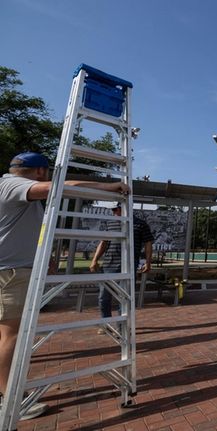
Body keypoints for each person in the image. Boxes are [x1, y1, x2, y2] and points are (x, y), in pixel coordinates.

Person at [0, 152, 129, 419]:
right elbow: (61, 187)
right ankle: (10, 399)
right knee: (11, 336)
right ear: (40, 172)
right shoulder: (14, 185)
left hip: (13, 269)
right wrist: (109, 187)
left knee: (6, 334)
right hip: (11, 274)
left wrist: (43, 258)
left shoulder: (14, 190)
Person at [90, 203, 153, 323]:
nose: (114, 212)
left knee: (124, 297)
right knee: (104, 297)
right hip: (109, 264)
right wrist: (94, 260)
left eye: (116, 209)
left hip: (129, 266)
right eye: (113, 210)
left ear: (124, 208)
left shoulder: (140, 224)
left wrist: (148, 262)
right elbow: (103, 242)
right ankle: (106, 323)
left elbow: (148, 244)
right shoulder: (110, 222)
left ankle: (122, 326)